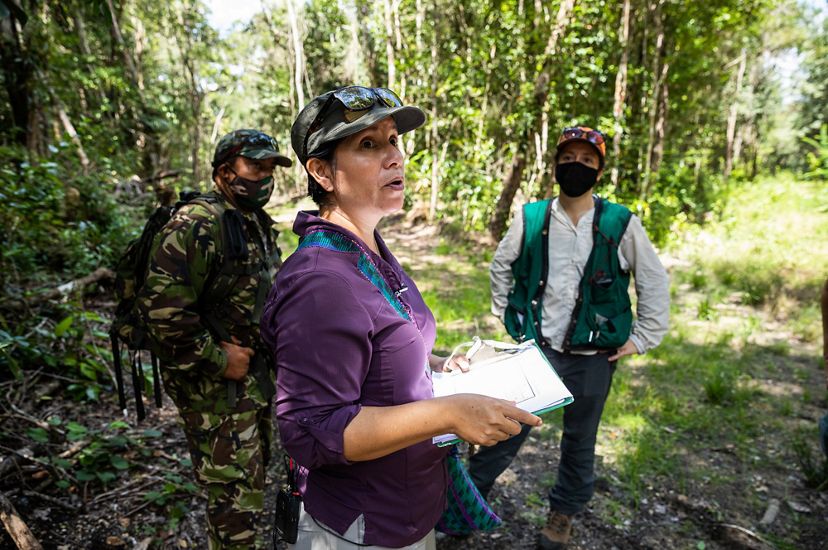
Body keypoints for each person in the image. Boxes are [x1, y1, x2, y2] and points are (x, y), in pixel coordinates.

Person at [261, 86, 542, 549]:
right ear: (321, 172)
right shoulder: (320, 281)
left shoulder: (365, 250)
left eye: (393, 140)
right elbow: (311, 431)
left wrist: (430, 369)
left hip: (406, 511)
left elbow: (374, 353)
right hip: (359, 529)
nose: (394, 157)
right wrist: (448, 413)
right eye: (368, 145)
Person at [469, 126, 670, 549]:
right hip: (536, 349)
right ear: (555, 164)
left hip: (594, 355)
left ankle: (562, 516)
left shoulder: (620, 222)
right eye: (568, 159)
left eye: (587, 161)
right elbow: (500, 266)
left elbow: (653, 279)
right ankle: (466, 503)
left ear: (599, 170)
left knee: (580, 440)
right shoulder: (533, 217)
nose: (575, 166)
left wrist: (643, 337)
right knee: (504, 429)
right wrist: (508, 316)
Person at [137, 129, 292, 549]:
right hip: (214, 387)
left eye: (269, 168)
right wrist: (219, 360)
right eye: (254, 166)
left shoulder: (251, 221)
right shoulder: (197, 223)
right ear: (225, 172)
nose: (264, 177)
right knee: (234, 500)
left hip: (249, 382)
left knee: (247, 485)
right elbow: (161, 312)